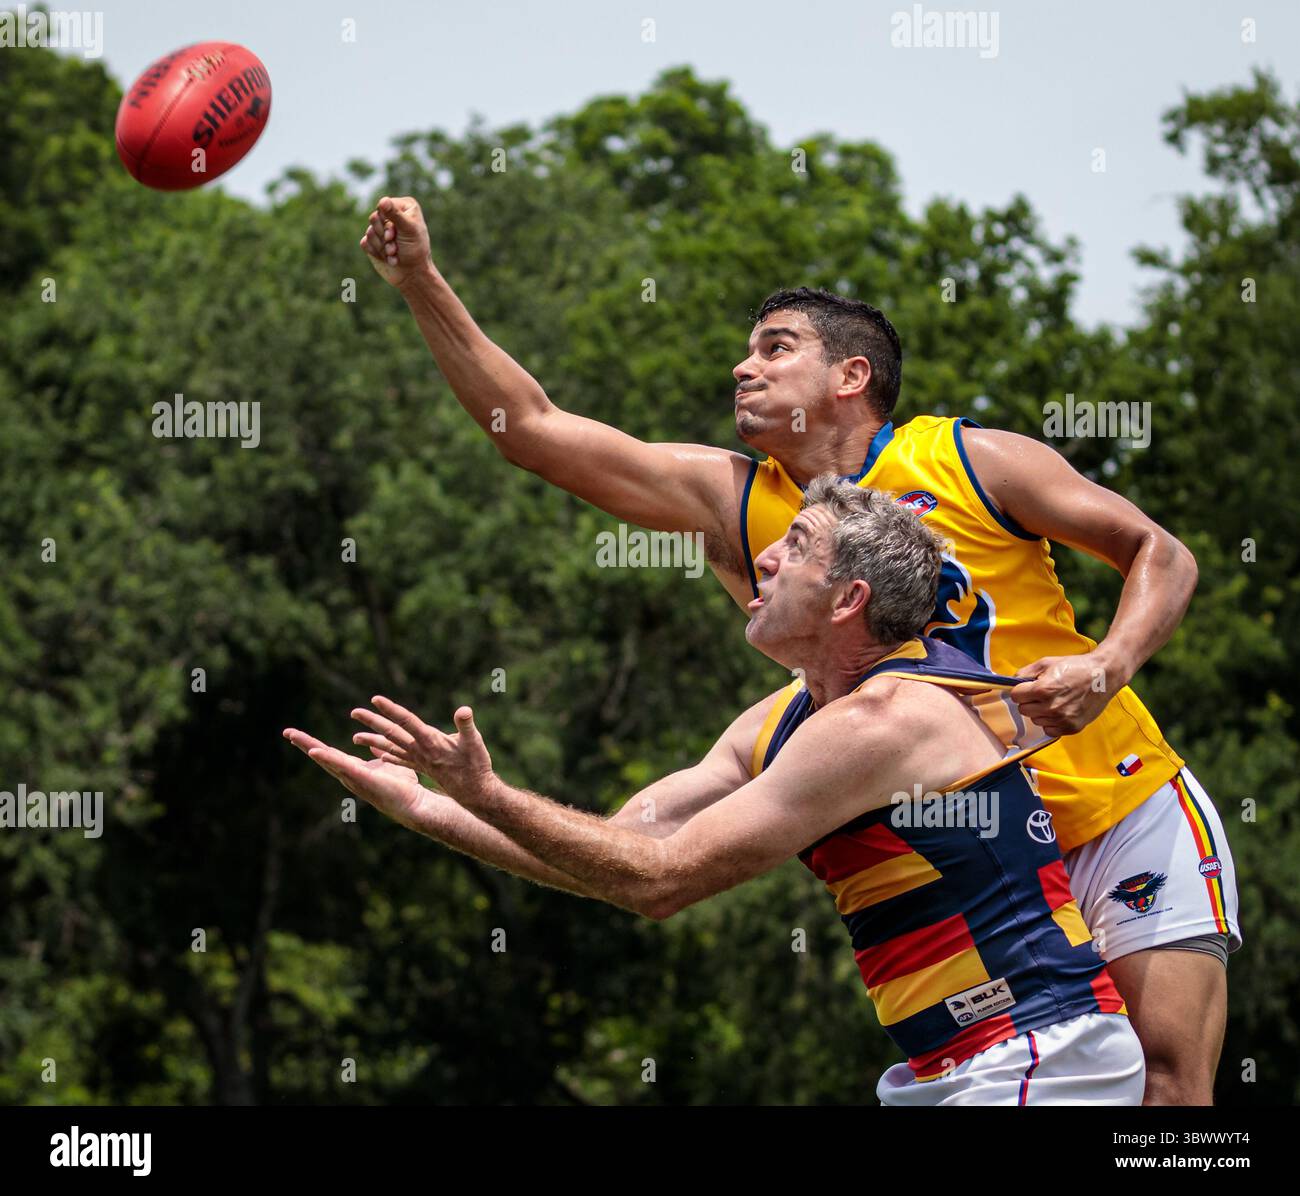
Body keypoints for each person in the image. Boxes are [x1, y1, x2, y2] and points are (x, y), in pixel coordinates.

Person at [352, 196, 1240, 1105]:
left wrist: (1108, 664)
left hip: (1115, 795)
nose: (745, 365)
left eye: (775, 347)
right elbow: (533, 430)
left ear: (852, 374)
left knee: (1170, 1088)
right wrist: (420, 281)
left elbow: (1160, 552)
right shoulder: (736, 501)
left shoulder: (970, 458)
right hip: (933, 808)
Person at [285, 479, 1145, 1105]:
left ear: (850, 600)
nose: (763, 555)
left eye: (797, 544)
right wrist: (436, 806)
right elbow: (614, 855)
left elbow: (661, 883)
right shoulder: (782, 720)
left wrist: (487, 793)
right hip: (961, 1067)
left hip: (1039, 1053)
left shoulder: (884, 718)